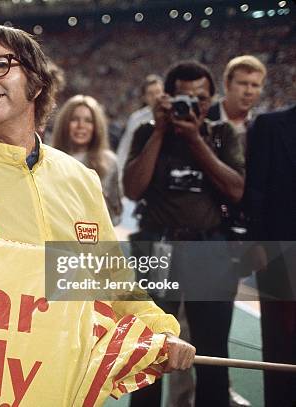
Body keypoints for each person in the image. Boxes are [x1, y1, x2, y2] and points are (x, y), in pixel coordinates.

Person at [0, 22, 195, 382]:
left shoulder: (81, 179)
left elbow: (112, 280)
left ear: (37, 83)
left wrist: (157, 329)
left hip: (69, 382)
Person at [123, 61, 245, 407]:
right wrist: (161, 131)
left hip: (208, 247)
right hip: (158, 245)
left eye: (201, 99)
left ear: (212, 99)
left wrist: (194, 140)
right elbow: (133, 188)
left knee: (212, 347)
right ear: (167, 97)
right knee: (149, 345)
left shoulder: (222, 134)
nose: (191, 106)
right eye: (183, 98)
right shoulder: (148, 132)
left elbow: (236, 190)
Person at [244, 104, 296, 407]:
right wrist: (257, 243)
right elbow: (256, 189)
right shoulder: (269, 125)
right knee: (280, 344)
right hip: (278, 252)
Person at [52, 95, 123, 225]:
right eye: (74, 119)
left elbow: (116, 213)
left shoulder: (109, 162)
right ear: (64, 124)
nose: (81, 126)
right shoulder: (48, 160)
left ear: (96, 126)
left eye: (88, 121)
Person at [208, 55, 266, 142]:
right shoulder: (204, 117)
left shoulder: (262, 127)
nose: (249, 91)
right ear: (227, 84)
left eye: (255, 85)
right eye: (243, 83)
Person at [116, 74, 163, 172]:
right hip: (141, 169)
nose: (155, 97)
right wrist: (121, 174)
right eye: (150, 93)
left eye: (158, 92)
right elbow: (125, 149)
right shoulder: (136, 119)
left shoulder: (174, 116)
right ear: (144, 97)